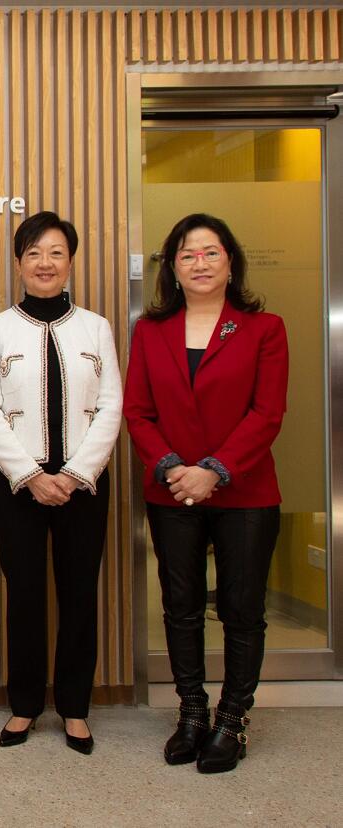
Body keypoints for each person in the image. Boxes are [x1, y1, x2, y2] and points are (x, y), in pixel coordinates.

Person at [124, 213, 288, 774]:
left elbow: (267, 413)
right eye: (188, 254)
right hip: (172, 491)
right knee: (181, 606)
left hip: (246, 492)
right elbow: (138, 412)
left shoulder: (264, 329)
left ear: (230, 263)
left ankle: (232, 719)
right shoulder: (150, 331)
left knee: (242, 609)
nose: (200, 263)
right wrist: (175, 468)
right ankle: (192, 712)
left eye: (211, 252)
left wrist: (214, 470)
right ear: (172, 267)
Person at [0, 210, 122, 755]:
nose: (45, 263)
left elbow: (111, 404)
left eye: (56, 252)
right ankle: (25, 705)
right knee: (25, 594)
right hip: (17, 484)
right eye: (34, 253)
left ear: (71, 262)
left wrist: (78, 474)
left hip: (85, 483)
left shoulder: (96, 327)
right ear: (19, 263)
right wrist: (31, 475)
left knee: (80, 594)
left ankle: (75, 709)